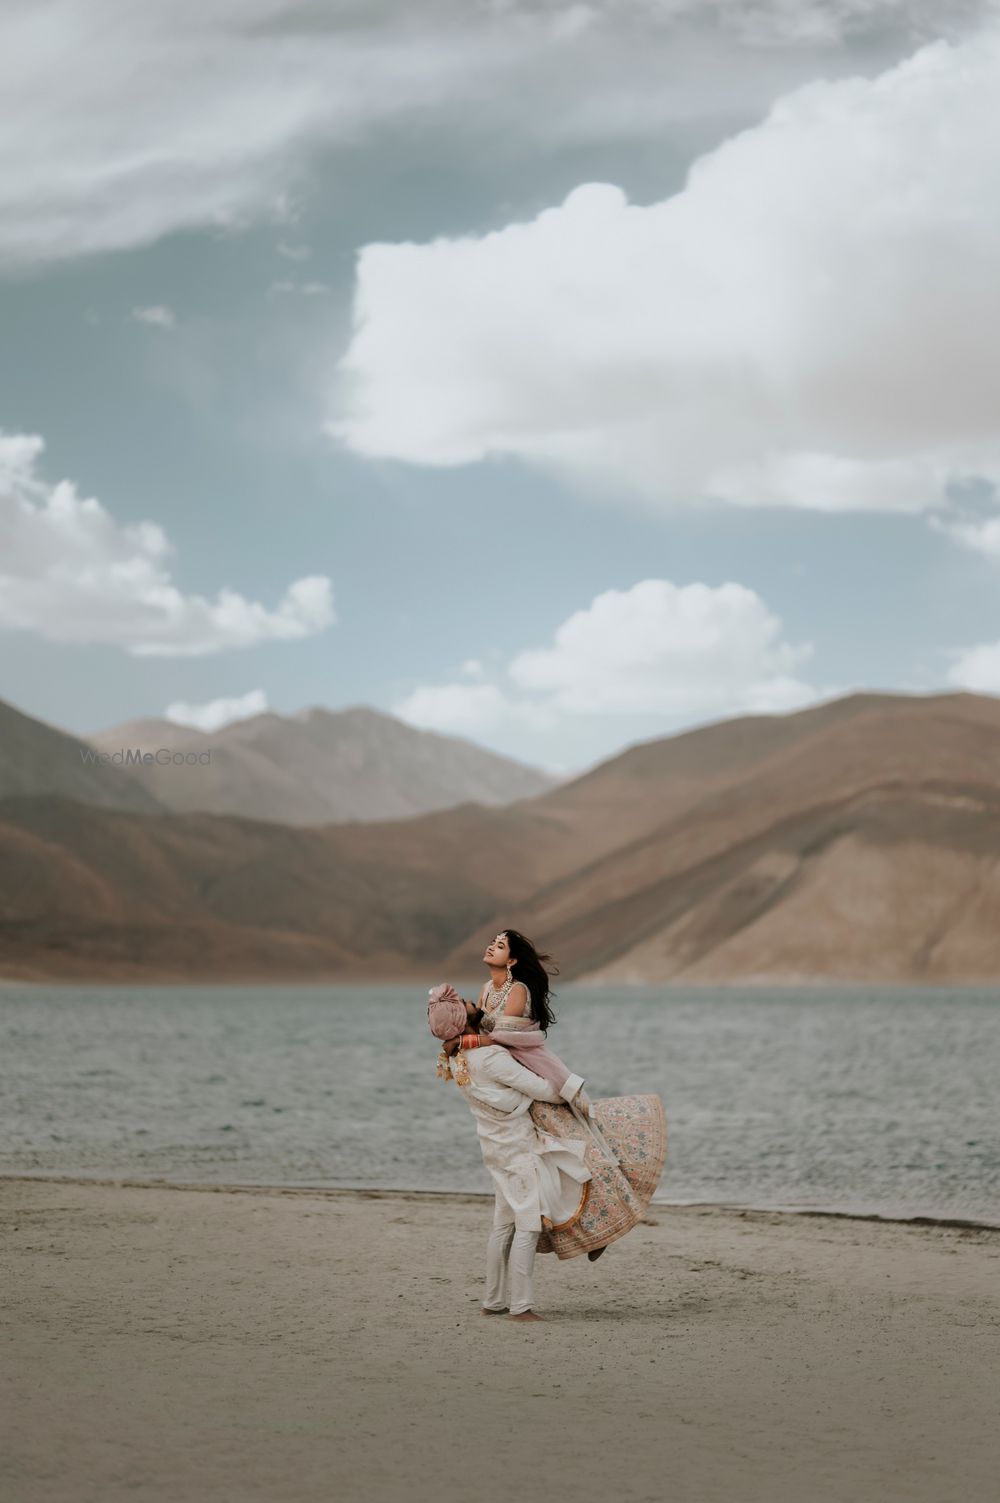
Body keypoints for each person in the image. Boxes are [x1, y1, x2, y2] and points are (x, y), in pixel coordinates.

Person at [428, 987, 591, 1322]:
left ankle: (493, 1300)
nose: (475, 1004)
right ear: (465, 1019)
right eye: (469, 1005)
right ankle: (520, 1307)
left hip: (494, 1149)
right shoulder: (490, 1057)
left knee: (502, 1225)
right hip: (517, 1150)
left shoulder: (460, 1057)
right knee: (528, 1225)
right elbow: (543, 1089)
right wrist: (562, 1089)